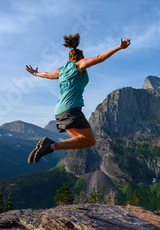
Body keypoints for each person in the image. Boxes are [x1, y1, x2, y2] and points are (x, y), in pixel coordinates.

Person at [26, 33, 131, 163]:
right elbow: (99, 58)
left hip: (59, 111)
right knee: (90, 140)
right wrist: (119, 47)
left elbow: (47, 75)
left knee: (81, 140)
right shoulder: (79, 65)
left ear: (69, 59)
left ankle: (49, 146)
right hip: (71, 110)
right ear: (81, 58)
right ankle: (50, 146)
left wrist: (35, 73)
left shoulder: (61, 70)